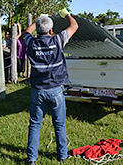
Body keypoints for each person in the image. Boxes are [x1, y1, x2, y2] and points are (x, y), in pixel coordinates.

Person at [25, 9, 78, 165]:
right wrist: (66, 14)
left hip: (38, 91)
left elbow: (26, 32)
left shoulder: (31, 43)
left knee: (35, 124)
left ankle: (31, 159)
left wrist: (38, 20)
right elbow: (74, 26)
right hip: (55, 91)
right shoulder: (57, 41)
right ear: (50, 30)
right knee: (59, 124)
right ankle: (62, 156)